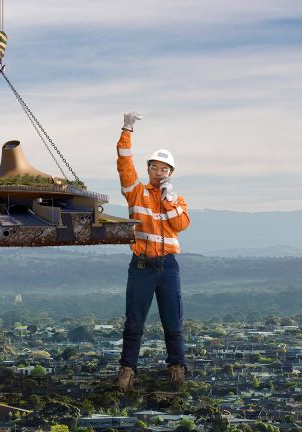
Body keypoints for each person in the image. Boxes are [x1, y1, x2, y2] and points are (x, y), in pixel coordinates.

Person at [115, 111, 191, 391]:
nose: (159, 173)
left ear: (171, 173)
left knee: (174, 320)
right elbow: (124, 164)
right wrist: (127, 129)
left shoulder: (177, 200)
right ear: (148, 170)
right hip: (142, 266)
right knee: (134, 321)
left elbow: (180, 225)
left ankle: (177, 368)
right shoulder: (137, 192)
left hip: (168, 267)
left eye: (165, 169)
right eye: (155, 168)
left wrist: (170, 201)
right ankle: (127, 370)